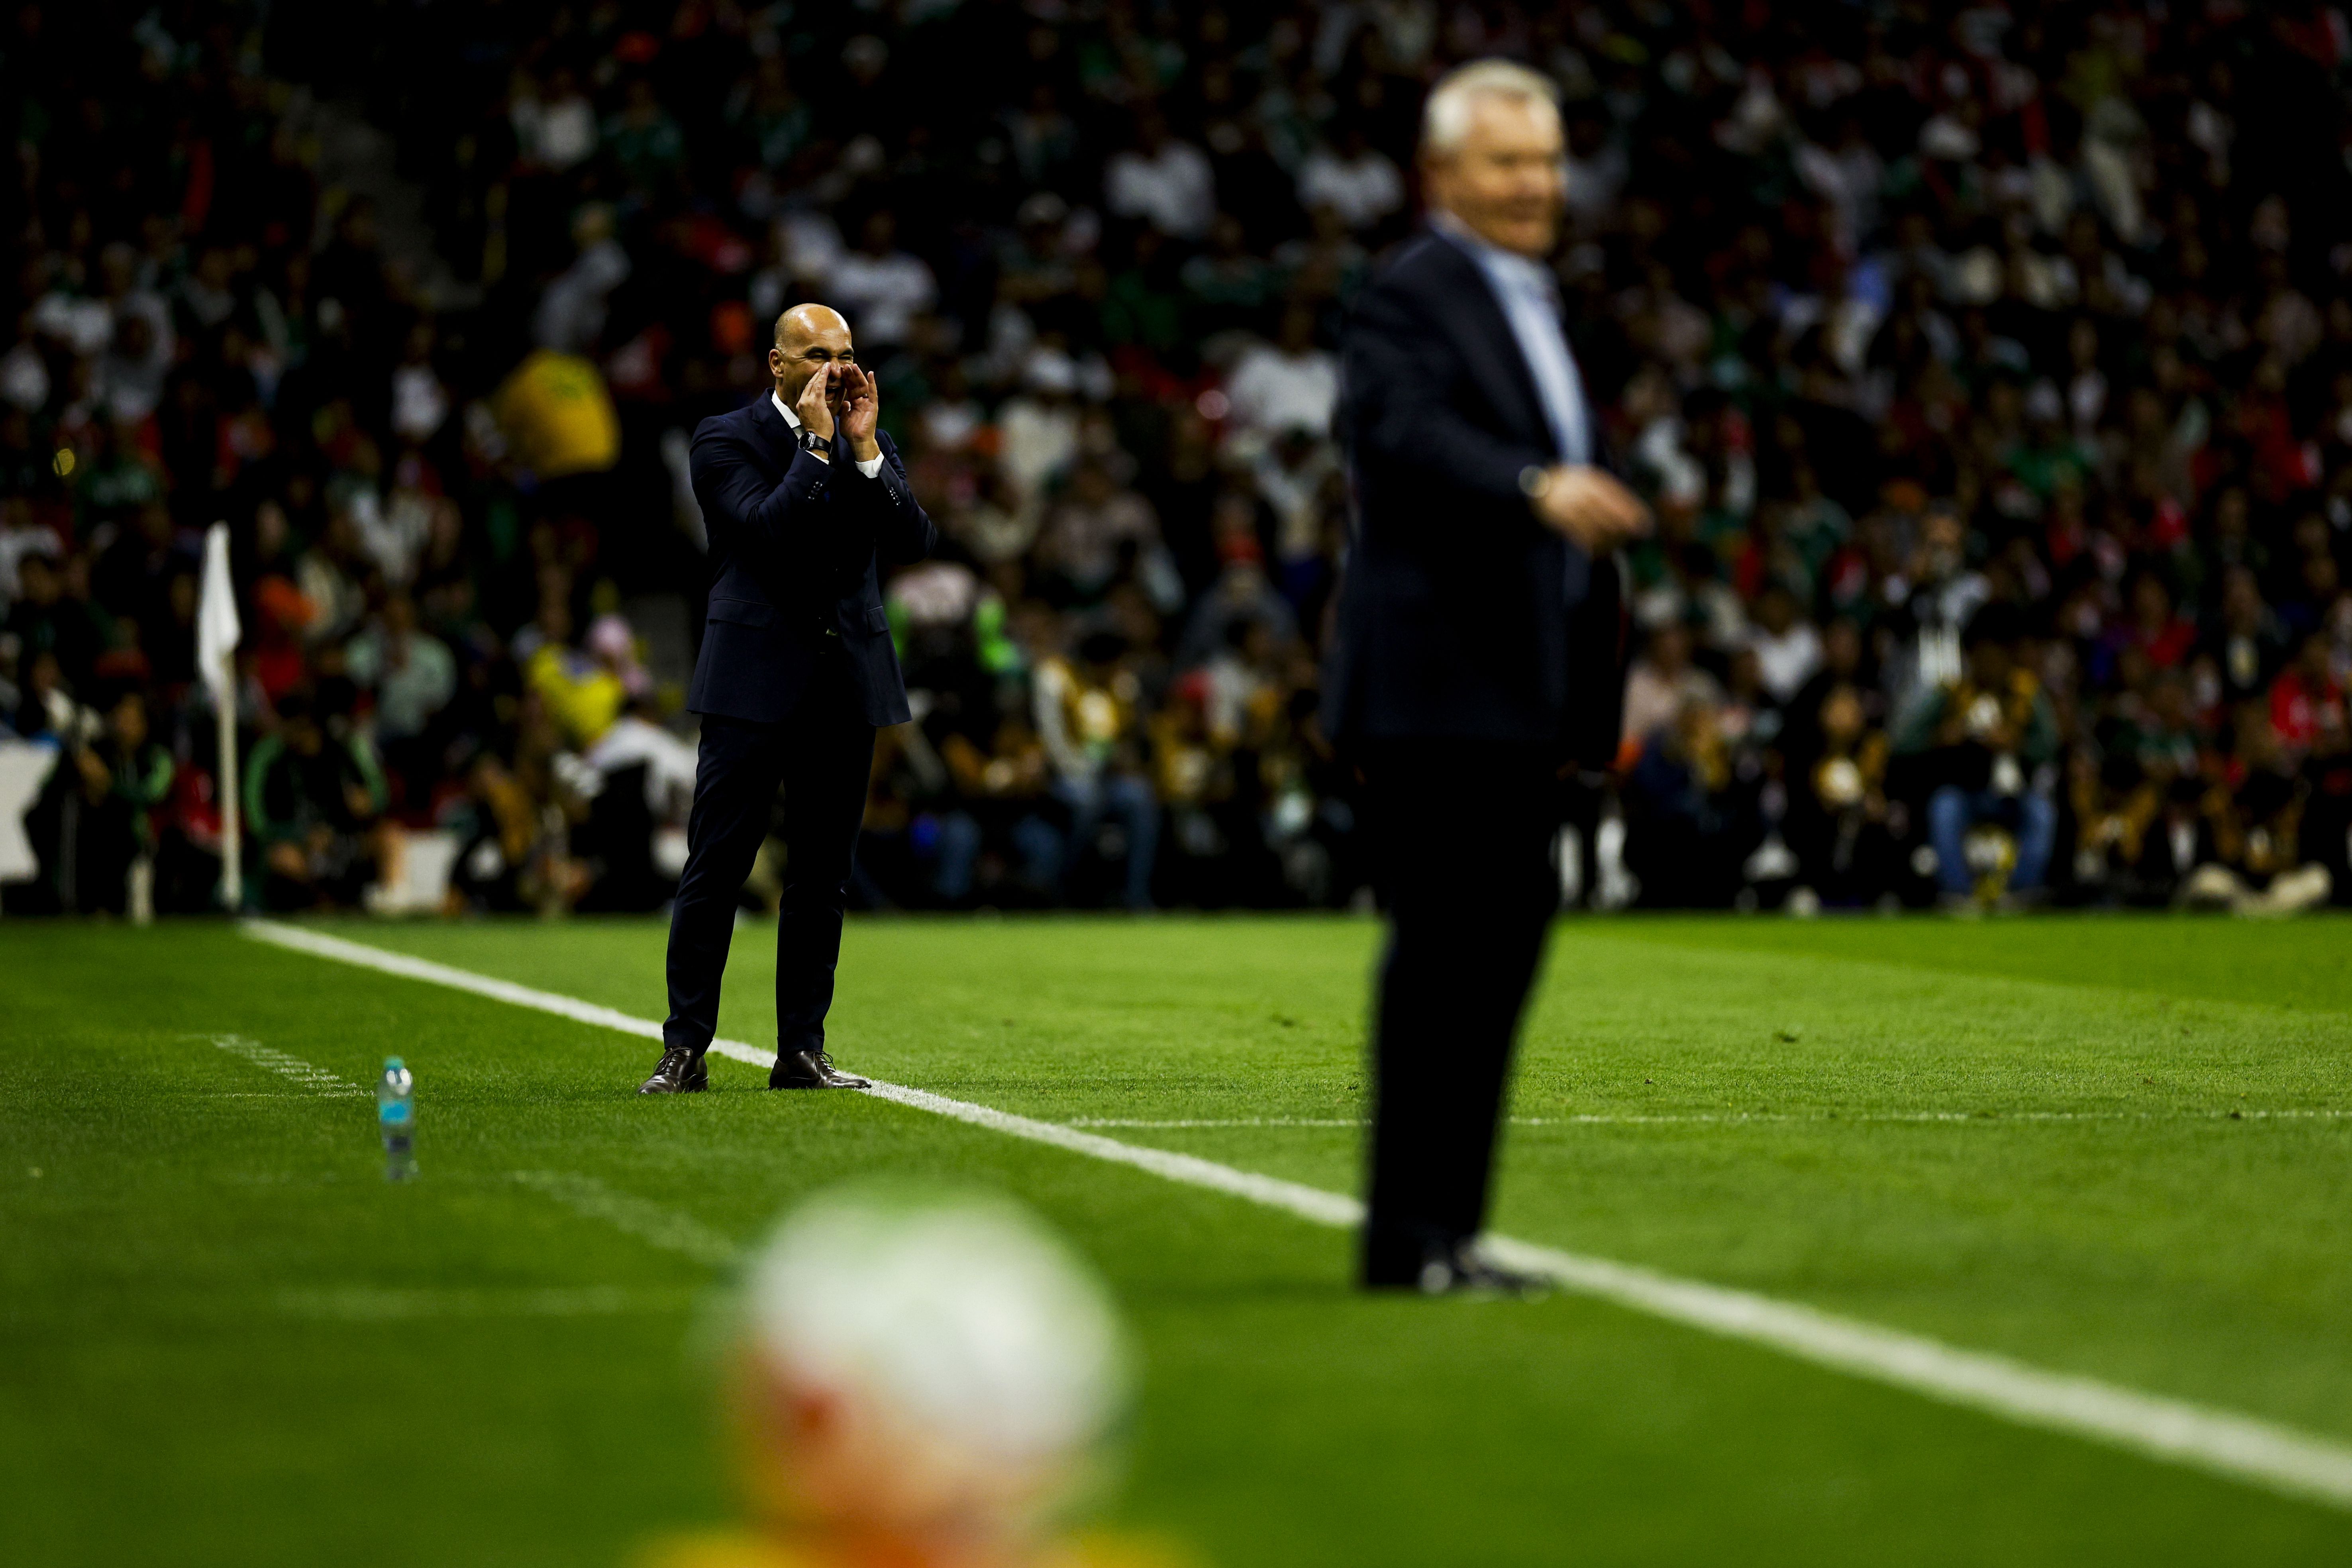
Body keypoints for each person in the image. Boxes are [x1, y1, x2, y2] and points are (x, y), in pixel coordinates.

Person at [1324, 60, 1650, 1294]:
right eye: (1510, 162)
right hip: (1440, 683)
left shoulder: (1528, 296)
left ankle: (1447, 1234)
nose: (1537, 185)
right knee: (1450, 959)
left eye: (1550, 161)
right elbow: (1397, 433)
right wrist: (1535, 485)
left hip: (1519, 685)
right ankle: (1410, 1239)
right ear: (1443, 175)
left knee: (1497, 955)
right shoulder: (1417, 290)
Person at [639, 304, 937, 1095]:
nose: (835, 369)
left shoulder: (864, 435)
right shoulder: (726, 439)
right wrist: (815, 446)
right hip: (753, 680)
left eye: (844, 353)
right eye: (815, 354)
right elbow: (764, 531)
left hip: (845, 684)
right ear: (777, 365)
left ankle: (802, 1051)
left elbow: (914, 542)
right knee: (718, 867)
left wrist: (867, 449)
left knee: (821, 878)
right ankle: (684, 1048)